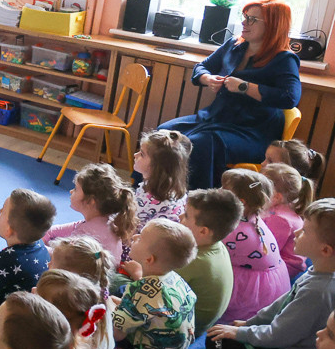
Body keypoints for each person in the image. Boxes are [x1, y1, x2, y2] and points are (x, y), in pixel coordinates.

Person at [158, 0, 301, 190]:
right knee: (163, 133)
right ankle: (151, 192)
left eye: (252, 19)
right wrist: (207, 78)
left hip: (253, 130)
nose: (244, 23)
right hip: (217, 118)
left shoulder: (284, 59)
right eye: (244, 17)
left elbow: (290, 97)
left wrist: (244, 87)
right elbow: (201, 67)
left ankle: (198, 203)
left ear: (272, 26)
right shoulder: (234, 45)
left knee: (200, 145)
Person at [207, 197, 335, 349]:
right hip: (286, 346)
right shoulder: (320, 271)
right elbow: (282, 303)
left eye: (305, 231)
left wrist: (241, 333)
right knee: (225, 331)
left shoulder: (318, 291)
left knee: (214, 341)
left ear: (325, 250)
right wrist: (249, 324)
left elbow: (278, 335)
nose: (297, 232)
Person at [112, 219, 198, 349]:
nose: (135, 236)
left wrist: (109, 308)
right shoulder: (175, 278)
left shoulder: (140, 290)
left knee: (99, 331)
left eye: (141, 237)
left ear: (149, 259)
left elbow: (117, 334)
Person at [215, 168, 290, 324]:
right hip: (270, 284)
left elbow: (211, 250)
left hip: (253, 294)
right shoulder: (253, 218)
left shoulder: (235, 230)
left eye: (224, 190)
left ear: (240, 202)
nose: (218, 191)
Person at [174, 188, 242, 337]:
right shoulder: (217, 245)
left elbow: (155, 284)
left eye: (186, 216)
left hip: (185, 328)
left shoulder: (193, 261)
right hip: (204, 322)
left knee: (119, 283)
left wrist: (137, 272)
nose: (180, 216)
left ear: (203, 231)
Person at [48, 235, 116, 349]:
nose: (48, 265)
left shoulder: (69, 305)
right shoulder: (98, 291)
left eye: (51, 263)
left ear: (66, 276)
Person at [44, 163, 137, 264]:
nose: (71, 191)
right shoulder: (101, 221)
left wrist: (37, 245)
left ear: (91, 201)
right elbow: (54, 230)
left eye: (76, 189)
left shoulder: (88, 233)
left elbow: (60, 256)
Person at [0, 188, 55, 316]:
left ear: (9, 230)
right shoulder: (39, 243)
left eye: (2, 210)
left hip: (10, 315)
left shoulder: (7, 259)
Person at [123, 130, 191, 261]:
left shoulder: (153, 198)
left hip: (146, 252)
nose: (135, 155)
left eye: (142, 154)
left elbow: (129, 227)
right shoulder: (168, 186)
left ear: (157, 166)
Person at [262, 162, 313, 279]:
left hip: (285, 267)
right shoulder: (282, 205)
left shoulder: (279, 219)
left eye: (261, 189)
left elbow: (267, 251)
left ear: (277, 196)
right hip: (278, 258)